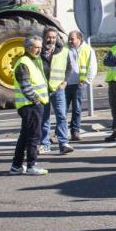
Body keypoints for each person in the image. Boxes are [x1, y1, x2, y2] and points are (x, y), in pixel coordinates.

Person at [11, 35, 49, 176]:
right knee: (34, 136)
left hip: (30, 104)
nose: (39, 50)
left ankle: (16, 166)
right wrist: (37, 101)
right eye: (36, 47)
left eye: (40, 47)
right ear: (28, 48)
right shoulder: (24, 63)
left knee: (25, 136)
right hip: (30, 105)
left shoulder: (33, 60)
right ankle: (31, 165)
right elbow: (25, 87)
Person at [39, 27, 73, 155]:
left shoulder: (63, 51)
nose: (51, 40)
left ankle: (63, 143)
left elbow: (69, 67)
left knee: (62, 116)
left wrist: (65, 81)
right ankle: (44, 144)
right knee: (44, 118)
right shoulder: (38, 51)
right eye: (48, 37)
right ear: (43, 37)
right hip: (42, 90)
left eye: (53, 37)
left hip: (58, 89)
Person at [64, 30, 97, 142]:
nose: (70, 41)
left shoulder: (88, 50)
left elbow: (92, 67)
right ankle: (60, 132)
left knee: (77, 109)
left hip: (79, 84)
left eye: (72, 39)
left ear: (79, 39)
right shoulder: (64, 49)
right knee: (62, 110)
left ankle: (75, 132)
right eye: (69, 38)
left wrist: (86, 81)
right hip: (65, 84)